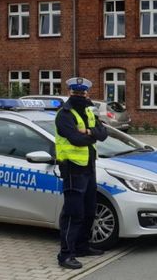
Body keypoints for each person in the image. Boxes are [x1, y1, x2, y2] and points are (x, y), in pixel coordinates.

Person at [55, 77, 108, 270]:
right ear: (70, 93)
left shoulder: (88, 111)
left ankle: (82, 246)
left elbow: (104, 133)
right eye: (76, 92)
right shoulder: (64, 114)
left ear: (87, 93)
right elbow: (76, 140)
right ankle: (66, 254)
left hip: (89, 168)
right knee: (73, 213)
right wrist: (91, 135)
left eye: (82, 92)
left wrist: (88, 131)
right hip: (72, 169)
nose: (80, 95)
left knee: (89, 210)